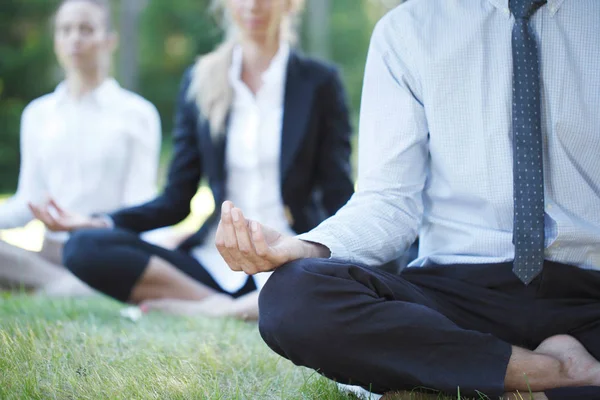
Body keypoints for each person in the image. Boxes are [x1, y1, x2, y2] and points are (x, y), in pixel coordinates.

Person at [207, 1, 600, 399]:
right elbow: (388, 202)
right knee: (293, 296)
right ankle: (553, 375)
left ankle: (469, 377)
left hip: (591, 292)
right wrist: (302, 246)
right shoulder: (407, 30)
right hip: (456, 297)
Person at [36, 0, 354, 320]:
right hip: (214, 265)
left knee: (340, 276)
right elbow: (176, 200)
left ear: (290, 4)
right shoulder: (201, 80)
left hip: (294, 260)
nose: (254, 5)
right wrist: (101, 222)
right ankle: (222, 305)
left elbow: (337, 194)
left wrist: (339, 254)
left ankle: (219, 310)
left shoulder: (320, 82)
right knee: (84, 246)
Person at [0, 0, 161, 295]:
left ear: (109, 40)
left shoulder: (137, 114)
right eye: (66, 30)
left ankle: (64, 287)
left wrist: (167, 245)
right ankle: (69, 288)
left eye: (86, 29)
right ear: (56, 41)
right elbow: (29, 201)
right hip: (48, 255)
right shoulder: (37, 114)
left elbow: (140, 202)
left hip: (103, 254)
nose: (75, 38)